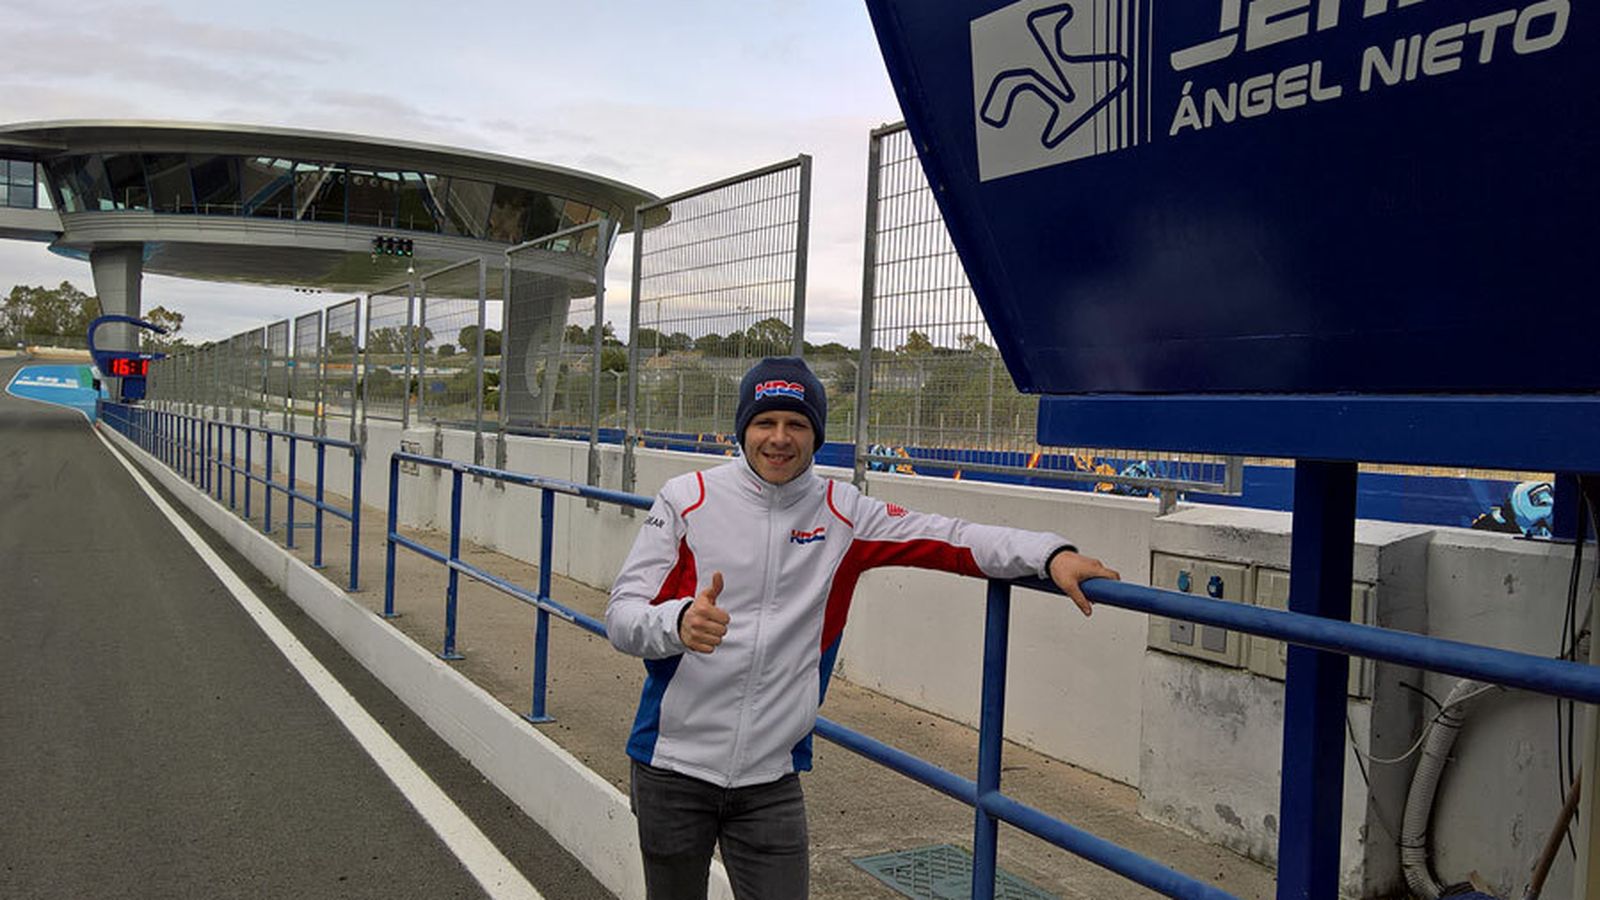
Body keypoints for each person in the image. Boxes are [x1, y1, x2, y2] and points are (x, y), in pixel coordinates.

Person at [606, 356, 1120, 900]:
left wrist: (1050, 554)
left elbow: (952, 538)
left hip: (771, 779)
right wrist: (677, 621)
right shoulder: (687, 499)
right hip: (671, 766)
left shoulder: (843, 512)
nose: (780, 439)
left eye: (797, 425)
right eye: (765, 423)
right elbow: (621, 616)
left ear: (817, 436)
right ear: (743, 429)